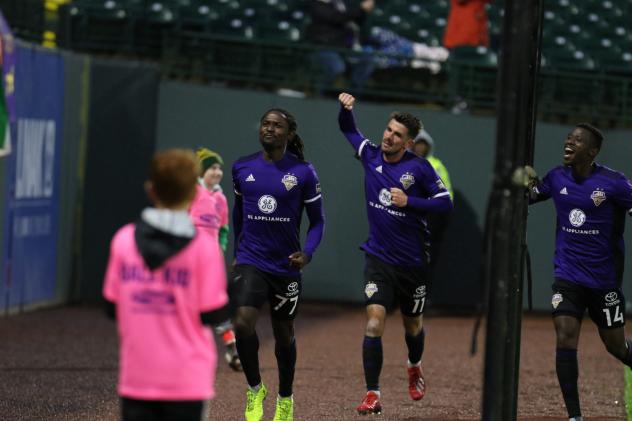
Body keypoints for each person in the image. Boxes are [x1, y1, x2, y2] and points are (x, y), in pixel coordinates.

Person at [337, 92, 453, 415]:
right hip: (378, 258)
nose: (388, 137)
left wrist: (410, 202)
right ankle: (372, 393)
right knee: (374, 323)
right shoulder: (370, 155)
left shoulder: (421, 169)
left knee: (412, 325)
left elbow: (446, 203)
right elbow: (348, 130)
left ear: (408, 142)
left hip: (413, 263)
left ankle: (414, 365)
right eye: (388, 130)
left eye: (396, 135)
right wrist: (345, 110)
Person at [102, 149, 229, 421]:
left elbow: (112, 307)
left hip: (137, 378)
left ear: (151, 189)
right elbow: (213, 314)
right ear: (194, 194)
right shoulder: (205, 249)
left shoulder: (123, 241)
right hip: (188, 380)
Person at [529, 123, 632, 421]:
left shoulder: (614, 183)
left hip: (604, 282)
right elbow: (531, 195)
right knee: (565, 335)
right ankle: (575, 416)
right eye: (568, 138)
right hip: (568, 277)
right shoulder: (557, 177)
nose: (569, 143)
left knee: (616, 347)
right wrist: (522, 184)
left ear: (592, 151)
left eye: (577, 140)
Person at [231, 108, 325, 421]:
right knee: (242, 322)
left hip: (285, 266)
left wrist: (308, 253)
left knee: (283, 334)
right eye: (266, 124)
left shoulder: (303, 172)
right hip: (251, 260)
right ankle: (255, 388)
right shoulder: (242, 167)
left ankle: (285, 396)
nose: (270, 129)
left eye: (277, 126)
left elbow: (318, 222)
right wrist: (237, 250)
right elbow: (238, 213)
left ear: (289, 134)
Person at [190, 147, 241, 371]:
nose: (217, 172)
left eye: (219, 168)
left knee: (216, 302)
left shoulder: (220, 198)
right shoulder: (191, 192)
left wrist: (219, 250)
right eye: (212, 167)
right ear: (201, 171)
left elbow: (223, 230)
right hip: (190, 260)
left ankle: (231, 348)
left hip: (211, 262)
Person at [410, 130, 453, 293]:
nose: (420, 148)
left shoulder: (436, 165)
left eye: (423, 145)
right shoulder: (404, 164)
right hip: (409, 217)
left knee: (426, 259)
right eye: (417, 144)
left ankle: (421, 296)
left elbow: (446, 195)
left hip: (432, 217)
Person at [305, 0, 375, 94]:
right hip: (323, 47)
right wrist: (361, 9)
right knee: (337, 67)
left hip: (345, 48)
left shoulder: (343, 3)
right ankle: (319, 93)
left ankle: (354, 94)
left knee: (367, 59)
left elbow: (357, 20)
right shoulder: (318, 4)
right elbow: (336, 18)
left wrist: (363, 11)